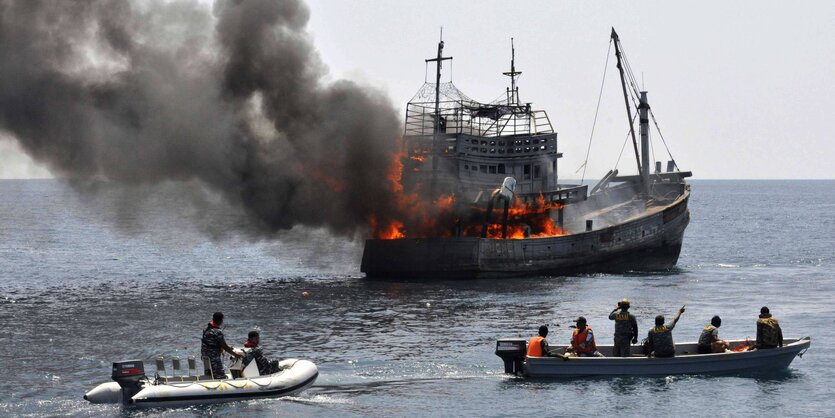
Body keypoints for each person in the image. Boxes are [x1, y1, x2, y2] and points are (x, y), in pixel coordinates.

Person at [201, 312, 242, 379]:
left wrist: (226, 347)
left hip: (204, 355)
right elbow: (224, 347)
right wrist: (235, 355)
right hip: (213, 357)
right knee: (221, 377)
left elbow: (211, 343)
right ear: (220, 320)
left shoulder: (206, 329)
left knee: (210, 373)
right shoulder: (217, 331)